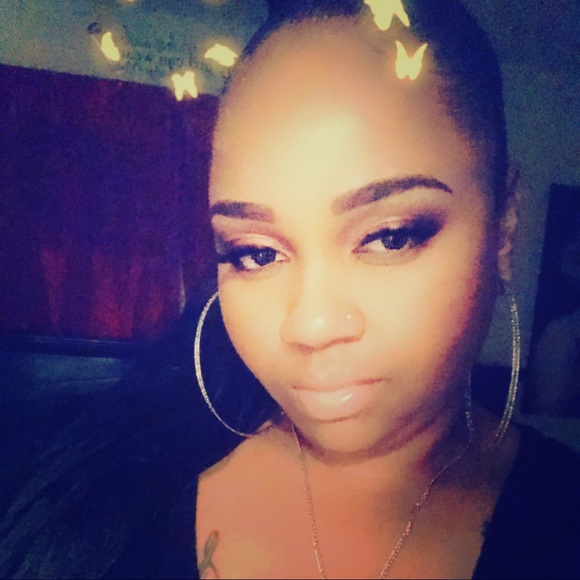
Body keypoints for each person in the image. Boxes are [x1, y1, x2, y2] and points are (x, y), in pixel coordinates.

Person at [1, 1, 579, 578]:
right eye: (256, 253)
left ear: (503, 226)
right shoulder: (95, 488)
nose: (310, 325)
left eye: (390, 237)